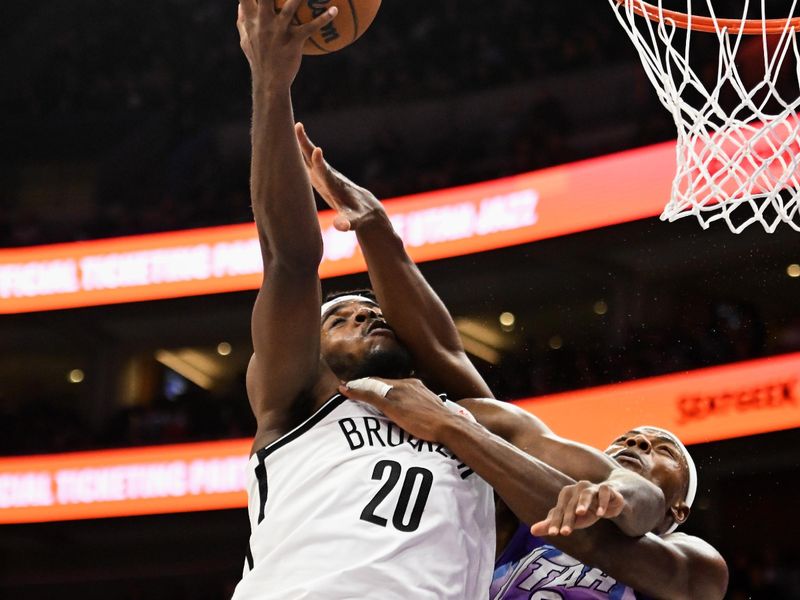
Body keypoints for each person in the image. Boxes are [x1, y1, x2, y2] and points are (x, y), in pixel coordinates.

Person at [233, 0, 666, 597]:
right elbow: (288, 257)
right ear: (312, 345)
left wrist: (615, 497)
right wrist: (272, 82)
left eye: (376, 312)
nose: (367, 315)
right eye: (343, 316)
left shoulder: (477, 422)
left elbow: (638, 494)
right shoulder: (294, 404)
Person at [341, 380, 729, 600]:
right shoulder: (519, 516)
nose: (637, 445)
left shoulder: (698, 561)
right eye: (625, 440)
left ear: (678, 510)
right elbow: (459, 369)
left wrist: (451, 426)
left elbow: (600, 544)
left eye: (662, 450)